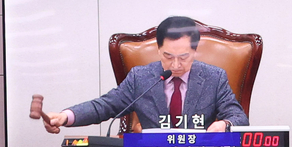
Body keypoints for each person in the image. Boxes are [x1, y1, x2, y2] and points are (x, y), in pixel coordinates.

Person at [32, 16, 248, 136]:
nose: (175, 65)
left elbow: (239, 118)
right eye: (168, 56)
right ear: (158, 50)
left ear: (194, 50)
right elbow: (104, 106)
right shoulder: (141, 77)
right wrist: (64, 116)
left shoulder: (214, 78)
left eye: (183, 57)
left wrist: (225, 125)